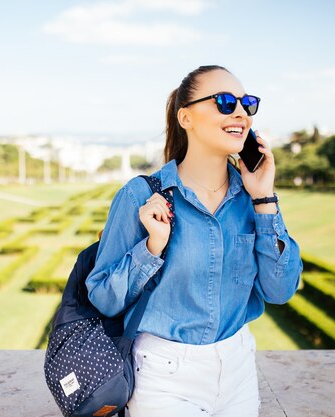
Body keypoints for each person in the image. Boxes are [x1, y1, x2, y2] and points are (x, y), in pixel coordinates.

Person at [85, 65, 304, 417]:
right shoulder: (141, 195)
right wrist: (151, 248)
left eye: (246, 103)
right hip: (164, 375)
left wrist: (265, 198)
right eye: (224, 101)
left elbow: (280, 291)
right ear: (185, 117)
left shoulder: (252, 199)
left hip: (238, 369)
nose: (239, 113)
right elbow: (103, 298)